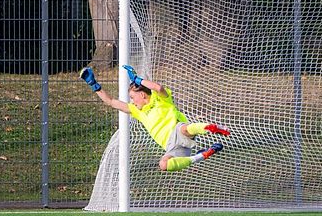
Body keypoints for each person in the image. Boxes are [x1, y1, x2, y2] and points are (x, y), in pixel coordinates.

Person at [80, 65, 229, 171]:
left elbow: (158, 88)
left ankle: (211, 127)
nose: (132, 101)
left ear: (142, 94)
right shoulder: (137, 111)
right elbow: (111, 102)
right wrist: (94, 84)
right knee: (163, 165)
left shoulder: (161, 99)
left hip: (177, 130)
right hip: (171, 146)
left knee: (184, 129)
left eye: (132, 97)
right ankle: (199, 156)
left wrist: (138, 80)